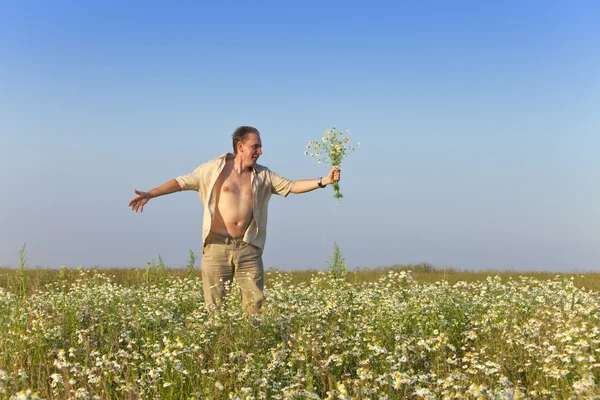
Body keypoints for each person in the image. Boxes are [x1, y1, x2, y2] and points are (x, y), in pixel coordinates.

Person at [128, 126, 340, 314]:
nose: (260, 152)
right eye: (255, 147)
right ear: (240, 146)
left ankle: (254, 345)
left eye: (260, 147)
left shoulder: (263, 175)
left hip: (249, 248)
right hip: (216, 247)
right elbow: (180, 182)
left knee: (255, 305)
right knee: (216, 307)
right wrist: (151, 194)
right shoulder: (213, 169)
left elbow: (292, 186)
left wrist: (324, 180)